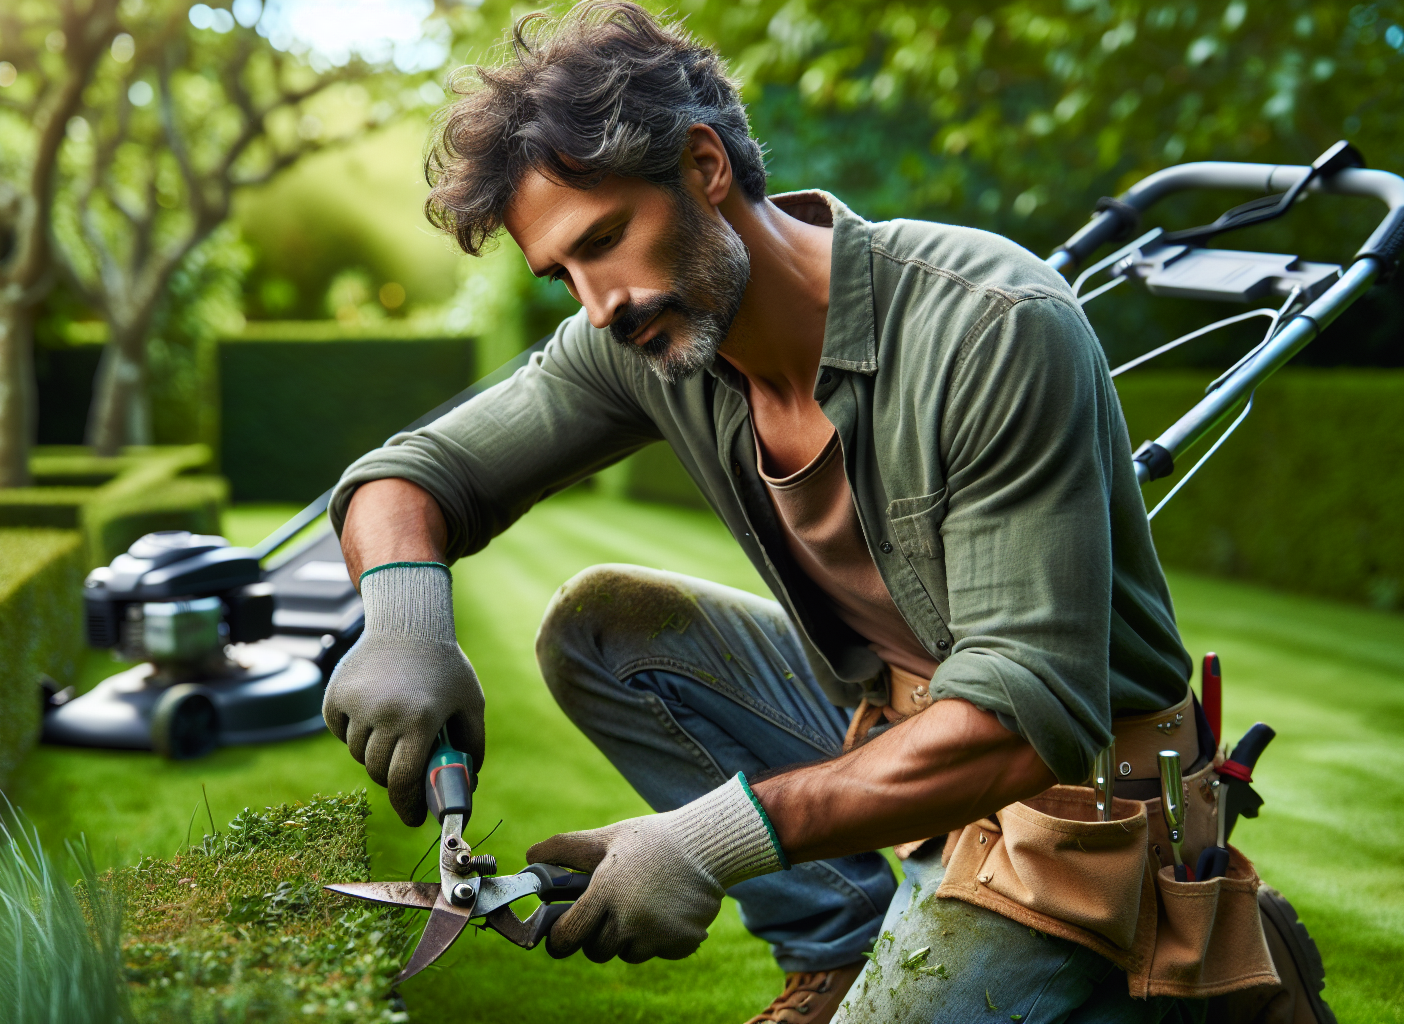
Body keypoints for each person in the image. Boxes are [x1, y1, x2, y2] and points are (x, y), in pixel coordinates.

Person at [320, 4, 1336, 1022]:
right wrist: (404, 623)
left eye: (605, 239)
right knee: (602, 624)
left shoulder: (993, 326)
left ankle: (1191, 957)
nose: (598, 303)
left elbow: (1029, 716)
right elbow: (413, 473)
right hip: (884, 725)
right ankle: (841, 947)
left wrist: (702, 841)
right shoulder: (648, 336)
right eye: (563, 274)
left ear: (705, 166)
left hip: (1071, 795)